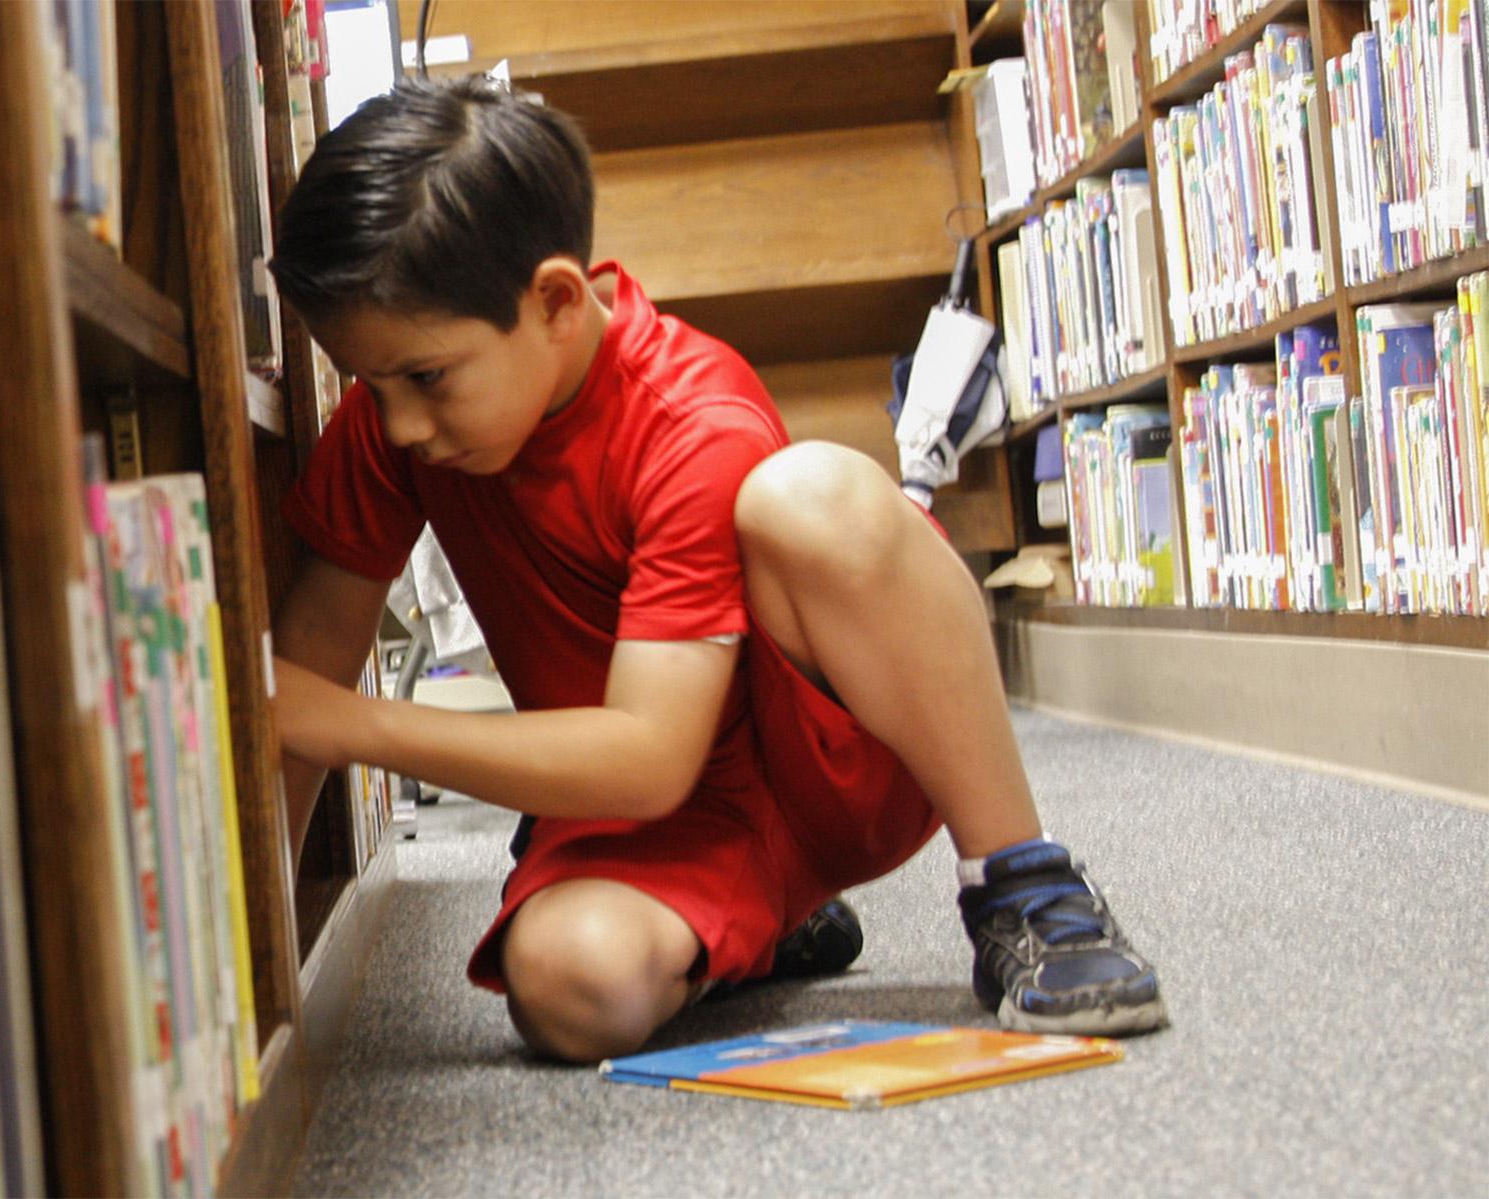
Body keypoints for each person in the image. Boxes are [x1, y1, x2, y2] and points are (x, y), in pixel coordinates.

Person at [264, 76, 1166, 1063]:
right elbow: (303, 668)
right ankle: (750, 931)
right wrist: (256, 951)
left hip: (818, 768)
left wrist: (351, 724)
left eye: (426, 377)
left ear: (557, 301)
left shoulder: (688, 419)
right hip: (654, 821)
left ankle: (1025, 885)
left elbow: (641, 754)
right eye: (369, 382)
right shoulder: (395, 430)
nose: (396, 422)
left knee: (813, 493)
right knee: (565, 987)